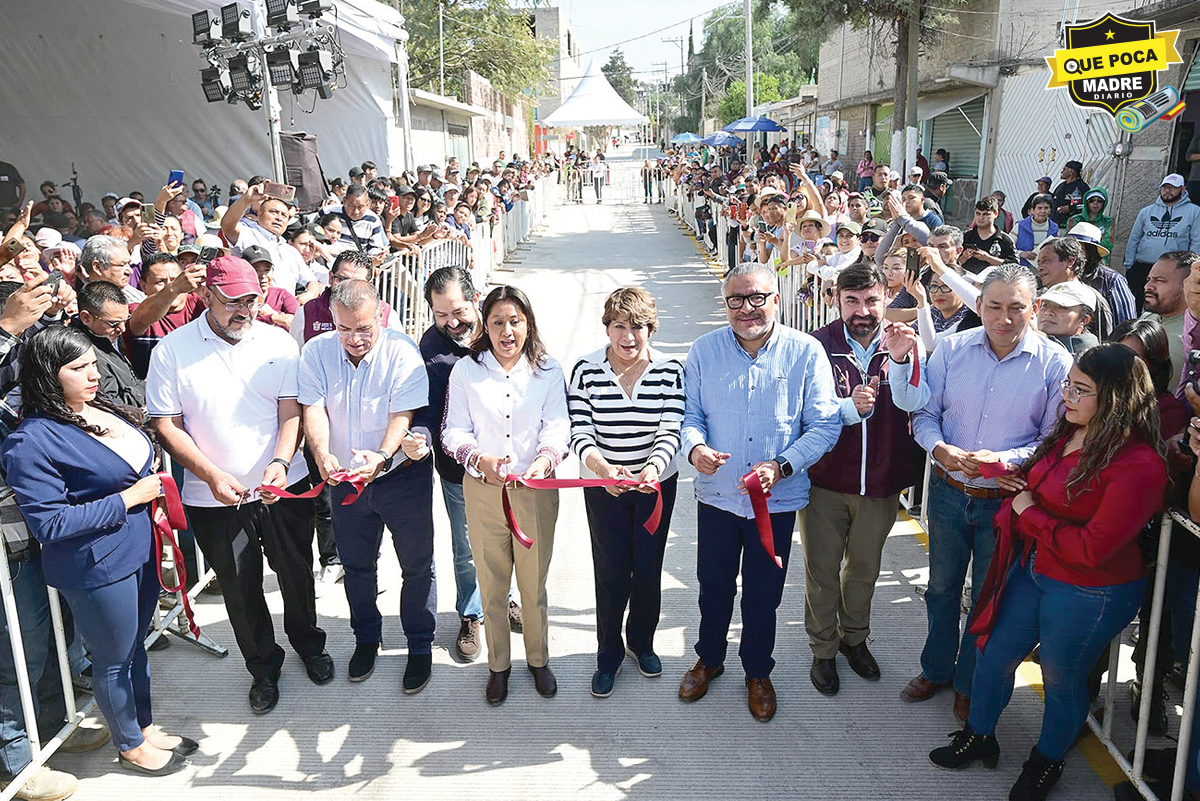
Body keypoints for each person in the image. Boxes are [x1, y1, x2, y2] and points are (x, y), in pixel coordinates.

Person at [931, 344, 1167, 801]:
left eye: (1081, 389)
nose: (1067, 397)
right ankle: (979, 735)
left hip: (1090, 591)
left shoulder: (1138, 465)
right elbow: (1043, 480)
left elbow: (1092, 548)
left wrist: (1026, 510)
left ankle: (1046, 761)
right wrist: (1009, 473)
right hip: (1037, 567)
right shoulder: (1071, 431)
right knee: (993, 654)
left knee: (1061, 679)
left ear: (1117, 399)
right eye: (1068, 385)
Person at [1, 327, 197, 776]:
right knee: (113, 660)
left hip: (138, 548)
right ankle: (130, 745)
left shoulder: (97, 408)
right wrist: (129, 499)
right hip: (95, 563)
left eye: (93, 363)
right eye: (78, 368)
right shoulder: (30, 440)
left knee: (136, 648)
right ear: (49, 375)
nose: (93, 374)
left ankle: (143, 727)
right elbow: (49, 523)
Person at [146, 255, 331, 715]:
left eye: (251, 299)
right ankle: (263, 668)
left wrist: (282, 462)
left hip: (281, 487)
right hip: (212, 498)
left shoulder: (279, 343)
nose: (243, 310)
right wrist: (210, 474)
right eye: (232, 301)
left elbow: (291, 411)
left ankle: (310, 645)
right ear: (206, 295)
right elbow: (166, 426)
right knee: (239, 587)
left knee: (296, 572)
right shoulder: (172, 350)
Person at [906, 264, 1073, 725]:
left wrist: (1007, 460)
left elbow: (1053, 436)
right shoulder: (953, 350)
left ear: (1034, 309)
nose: (1003, 318)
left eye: (1016, 308)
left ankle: (969, 682)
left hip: (1005, 503)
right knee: (940, 589)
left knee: (986, 598)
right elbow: (924, 414)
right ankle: (935, 669)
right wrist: (938, 447)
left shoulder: (1054, 363)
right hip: (947, 491)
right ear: (977, 305)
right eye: (994, 306)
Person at [678, 261, 841, 722]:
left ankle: (757, 671)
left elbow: (825, 424)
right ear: (725, 303)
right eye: (736, 300)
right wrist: (695, 450)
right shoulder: (704, 351)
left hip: (777, 501)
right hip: (718, 496)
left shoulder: (806, 352)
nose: (747, 309)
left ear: (776, 299)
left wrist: (782, 464)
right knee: (713, 587)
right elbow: (690, 415)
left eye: (757, 298)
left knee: (763, 594)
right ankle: (709, 659)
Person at [298, 279, 436, 692]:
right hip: (344, 481)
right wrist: (321, 452)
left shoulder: (402, 351)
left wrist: (382, 454)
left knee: (417, 565)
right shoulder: (316, 352)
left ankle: (419, 644)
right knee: (357, 566)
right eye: (344, 330)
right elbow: (314, 408)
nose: (354, 339)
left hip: (398, 477)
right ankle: (366, 638)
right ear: (332, 322)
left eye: (364, 329)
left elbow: (402, 413)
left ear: (380, 316)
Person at [804, 264, 929, 696]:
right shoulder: (815, 346)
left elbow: (916, 400)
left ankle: (854, 640)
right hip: (823, 479)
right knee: (821, 569)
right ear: (836, 300)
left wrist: (899, 360)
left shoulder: (905, 343)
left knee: (863, 570)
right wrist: (845, 405)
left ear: (886, 298)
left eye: (871, 300)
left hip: (881, 480)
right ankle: (823, 649)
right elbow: (804, 413)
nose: (862, 310)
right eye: (852, 300)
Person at [441, 286, 568, 705]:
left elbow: (557, 425)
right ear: (485, 325)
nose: (507, 331)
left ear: (528, 323)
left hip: (533, 490)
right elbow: (452, 431)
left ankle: (537, 659)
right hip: (484, 490)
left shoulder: (548, 371)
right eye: (497, 322)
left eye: (515, 321)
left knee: (533, 587)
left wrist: (545, 461)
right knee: (492, 585)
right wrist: (479, 458)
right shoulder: (467, 371)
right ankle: (498, 666)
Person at [568, 288, 684, 698]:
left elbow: (671, 427)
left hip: (655, 485)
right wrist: (603, 470)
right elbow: (579, 430)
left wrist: (652, 468)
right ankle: (608, 654)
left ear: (651, 328)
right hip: (604, 487)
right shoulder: (584, 369)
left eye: (637, 326)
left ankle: (641, 641)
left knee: (648, 569)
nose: (628, 336)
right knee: (611, 571)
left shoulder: (671, 369)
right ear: (607, 328)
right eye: (620, 326)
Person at [1125, 175, 1200, 312]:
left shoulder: (1194, 212)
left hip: (1172, 269)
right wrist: (1129, 264)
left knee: (1162, 304)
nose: (1168, 191)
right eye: (1165, 188)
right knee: (1135, 303)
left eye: (1172, 188)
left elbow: (1196, 241)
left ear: (1183, 189)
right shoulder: (1146, 211)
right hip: (1143, 265)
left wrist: (1191, 269)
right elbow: (1134, 238)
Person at [70, 280, 143, 409]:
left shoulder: (106, 335)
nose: (122, 329)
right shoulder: (84, 352)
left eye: (125, 320)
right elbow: (112, 404)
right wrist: (145, 387)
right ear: (86, 318)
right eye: (114, 323)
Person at [1140, 250, 1196, 393]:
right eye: (1148, 279)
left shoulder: (1193, 335)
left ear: (1187, 286)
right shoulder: (1147, 318)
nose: (1148, 286)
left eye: (1159, 280)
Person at [1037, 281, 1099, 354]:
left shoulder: (1089, 359)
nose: (1048, 312)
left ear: (1084, 320)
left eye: (1062, 307)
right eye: (1045, 305)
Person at [960, 196, 1016, 274]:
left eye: (986, 214)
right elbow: (952, 264)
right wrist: (964, 257)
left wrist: (988, 258)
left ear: (996, 214)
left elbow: (1014, 267)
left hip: (993, 283)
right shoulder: (965, 237)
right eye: (978, 214)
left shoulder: (1005, 240)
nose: (981, 218)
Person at [1015, 194, 1059, 267]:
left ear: (1050, 210)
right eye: (1039, 208)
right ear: (1032, 210)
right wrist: (1021, 253)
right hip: (1022, 269)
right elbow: (1007, 248)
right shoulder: (1020, 226)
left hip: (1045, 269)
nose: (1043, 211)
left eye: (1046, 208)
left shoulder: (1054, 228)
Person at [1066, 188, 1112, 254]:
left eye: (1100, 200)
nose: (1095, 203)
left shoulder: (1109, 221)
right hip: (1076, 255)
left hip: (1099, 257)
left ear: (1104, 203)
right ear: (1086, 202)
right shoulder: (1074, 220)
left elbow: (1109, 243)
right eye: (1091, 200)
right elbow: (1068, 239)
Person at [1051, 160, 1088, 227]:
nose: (1062, 172)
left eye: (1064, 169)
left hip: (1072, 226)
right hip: (1055, 226)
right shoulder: (1061, 186)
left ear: (1071, 171)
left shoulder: (1082, 187)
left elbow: (1087, 205)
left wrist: (1070, 209)